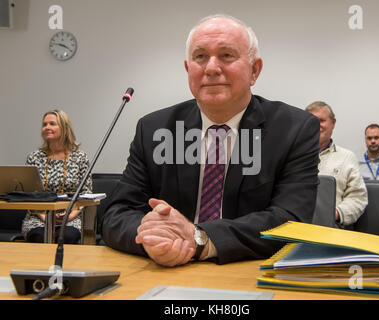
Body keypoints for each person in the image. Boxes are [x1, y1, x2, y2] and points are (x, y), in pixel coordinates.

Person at [102, 14, 320, 266]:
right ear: (188, 69)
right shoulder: (154, 128)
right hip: (165, 270)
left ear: (254, 70)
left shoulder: (295, 129)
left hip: (246, 272)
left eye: (227, 55)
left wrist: (200, 239)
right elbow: (116, 213)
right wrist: (153, 238)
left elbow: (290, 222)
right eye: (200, 57)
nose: (212, 68)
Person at [22, 109, 92, 243]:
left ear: (65, 128)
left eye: (52, 124)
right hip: (38, 218)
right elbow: (28, 194)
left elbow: (86, 193)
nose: (47, 127)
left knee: (67, 237)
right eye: (44, 124)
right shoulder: (34, 157)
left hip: (71, 218)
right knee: (40, 237)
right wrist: (45, 217)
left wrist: (71, 215)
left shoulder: (80, 157)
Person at [305, 101, 368, 227]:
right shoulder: (291, 155)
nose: (317, 125)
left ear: (333, 123)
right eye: (312, 121)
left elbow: (358, 198)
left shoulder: (347, 157)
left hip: (331, 231)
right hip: (295, 230)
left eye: (321, 120)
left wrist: (334, 214)